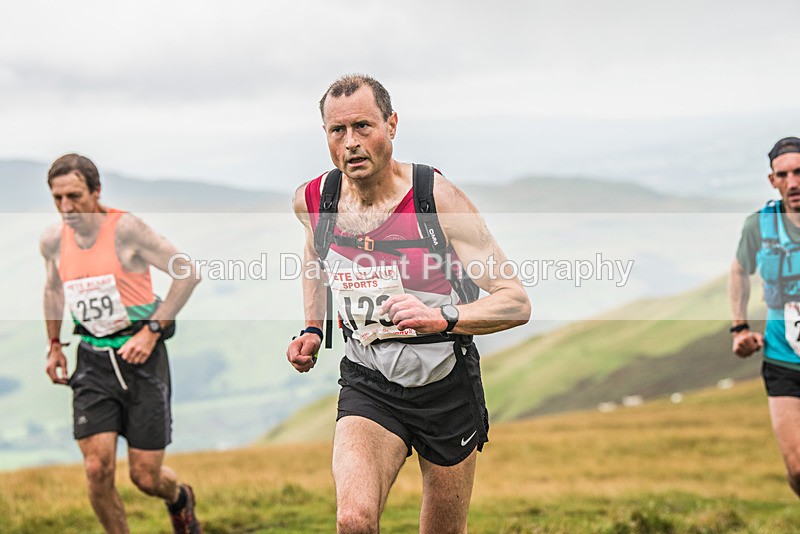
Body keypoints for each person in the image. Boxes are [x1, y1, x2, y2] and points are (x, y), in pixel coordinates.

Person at [286, 75, 531, 533]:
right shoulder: (314, 201)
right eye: (337, 131)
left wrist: (441, 318)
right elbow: (315, 256)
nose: (351, 143)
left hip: (444, 386)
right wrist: (312, 329)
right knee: (354, 521)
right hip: (370, 381)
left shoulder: (435, 199)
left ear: (392, 125)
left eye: (364, 126)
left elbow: (515, 301)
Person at [40, 154, 202, 534]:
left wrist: (150, 331)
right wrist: (53, 345)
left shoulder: (125, 229)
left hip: (142, 359)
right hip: (93, 361)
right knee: (96, 468)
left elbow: (187, 273)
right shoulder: (52, 241)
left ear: (96, 191)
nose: (67, 207)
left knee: (145, 477)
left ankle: (179, 498)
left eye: (75, 196)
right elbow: (52, 289)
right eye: (58, 198)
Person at [730, 136, 800, 499]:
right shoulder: (759, 225)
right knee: (798, 469)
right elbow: (739, 271)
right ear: (772, 181)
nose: (794, 183)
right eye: (783, 175)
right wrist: (740, 328)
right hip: (783, 358)